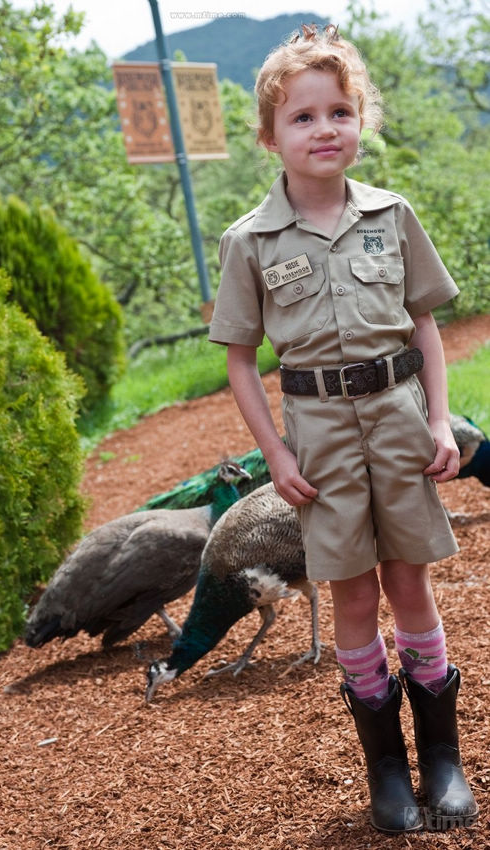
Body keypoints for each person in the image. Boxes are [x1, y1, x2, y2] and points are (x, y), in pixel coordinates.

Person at [208, 23, 478, 834]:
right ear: (269, 137)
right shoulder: (248, 242)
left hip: (398, 423)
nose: (324, 129)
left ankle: (441, 760)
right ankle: (387, 773)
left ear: (361, 121)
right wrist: (274, 453)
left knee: (410, 586)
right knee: (353, 596)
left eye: (339, 112)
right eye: (302, 117)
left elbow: (425, 328)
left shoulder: (391, 216)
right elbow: (240, 361)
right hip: (319, 439)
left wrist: (438, 420)